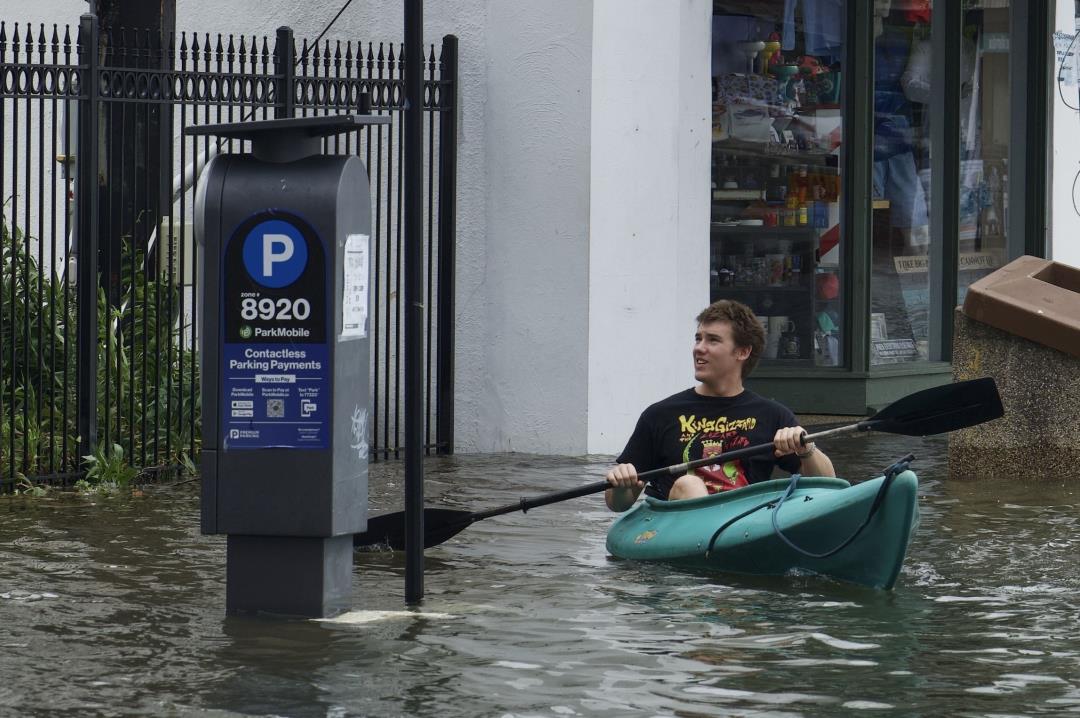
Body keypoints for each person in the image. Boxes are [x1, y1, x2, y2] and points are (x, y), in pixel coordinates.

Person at [605, 299, 835, 512]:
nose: (699, 348)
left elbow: (828, 488)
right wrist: (624, 485)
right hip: (674, 524)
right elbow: (618, 505)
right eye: (698, 338)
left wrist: (806, 448)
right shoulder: (659, 414)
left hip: (742, 523)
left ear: (743, 351)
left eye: (712, 340)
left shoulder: (773, 415)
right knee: (689, 483)